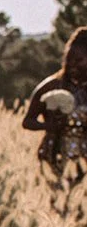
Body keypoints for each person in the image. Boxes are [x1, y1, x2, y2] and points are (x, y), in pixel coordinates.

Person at [22, 27, 87, 175]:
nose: (72, 64)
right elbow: (27, 121)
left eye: (79, 60)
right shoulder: (51, 86)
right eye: (69, 59)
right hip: (55, 157)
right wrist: (49, 126)